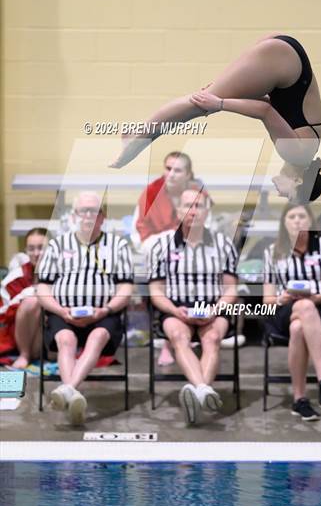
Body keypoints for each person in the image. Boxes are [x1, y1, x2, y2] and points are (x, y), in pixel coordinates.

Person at [110, 33, 321, 202]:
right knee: (199, 106)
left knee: (210, 96)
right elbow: (264, 111)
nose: (280, 194)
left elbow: (272, 105)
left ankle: (142, 136)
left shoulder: (305, 150)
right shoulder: (295, 155)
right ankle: (139, 138)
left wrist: (229, 93)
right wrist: (219, 104)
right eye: (289, 195)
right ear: (297, 181)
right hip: (281, 62)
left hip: (287, 56)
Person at [37, 192, 133, 425]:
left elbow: (125, 288)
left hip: (103, 314)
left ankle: (68, 389)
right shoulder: (57, 245)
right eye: (84, 211)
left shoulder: (118, 245)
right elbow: (42, 287)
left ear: (103, 216)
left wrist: (106, 310)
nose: (88, 215)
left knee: (98, 336)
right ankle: (73, 395)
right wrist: (60, 311)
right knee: (66, 340)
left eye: (94, 211)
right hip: (64, 313)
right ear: (74, 216)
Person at [148, 182, 238, 425]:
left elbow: (231, 289)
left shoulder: (223, 244)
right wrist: (174, 309)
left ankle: (196, 398)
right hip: (176, 310)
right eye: (188, 205)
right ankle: (202, 390)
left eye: (198, 205)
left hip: (213, 308)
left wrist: (216, 310)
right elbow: (156, 291)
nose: (193, 211)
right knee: (178, 336)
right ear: (178, 211)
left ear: (207, 211)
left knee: (212, 339)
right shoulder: (161, 245)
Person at [263, 203, 321, 421]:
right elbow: (268, 299)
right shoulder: (272, 252)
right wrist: (281, 298)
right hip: (284, 310)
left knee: (299, 326)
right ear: (284, 223)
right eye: (291, 216)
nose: (297, 220)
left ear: (310, 221)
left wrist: (316, 297)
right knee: (303, 307)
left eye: (302, 216)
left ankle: (299, 399)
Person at [137, 151, 194, 366]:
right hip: (156, 247)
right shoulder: (151, 192)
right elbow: (142, 228)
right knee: (160, 282)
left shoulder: (197, 192)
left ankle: (178, 337)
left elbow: (202, 227)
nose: (171, 174)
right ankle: (166, 339)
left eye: (177, 170)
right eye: (168, 168)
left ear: (188, 174)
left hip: (188, 249)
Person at [0, 228, 48, 368]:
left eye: (41, 248)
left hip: (50, 328)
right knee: (32, 301)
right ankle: (24, 355)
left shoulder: (61, 271)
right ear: (26, 250)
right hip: (20, 331)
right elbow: (3, 312)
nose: (36, 254)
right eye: (31, 249)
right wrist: (28, 293)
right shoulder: (16, 277)